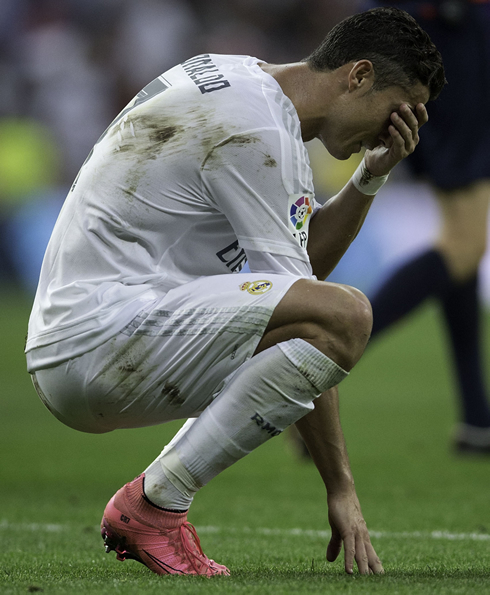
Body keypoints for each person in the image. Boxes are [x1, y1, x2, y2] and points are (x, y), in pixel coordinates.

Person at [25, 7, 445, 577]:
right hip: (102, 339)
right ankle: (156, 504)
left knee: (326, 316)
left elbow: (293, 280)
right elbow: (313, 307)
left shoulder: (246, 85)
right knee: (345, 315)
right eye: (397, 110)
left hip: (95, 329)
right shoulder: (258, 131)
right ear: (359, 75)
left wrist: (371, 174)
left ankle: (157, 501)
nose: (396, 127)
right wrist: (341, 487)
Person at [363, 0, 490, 454]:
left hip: (437, 35)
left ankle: (478, 417)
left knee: (462, 239)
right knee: (465, 242)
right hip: (448, 36)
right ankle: (317, 360)